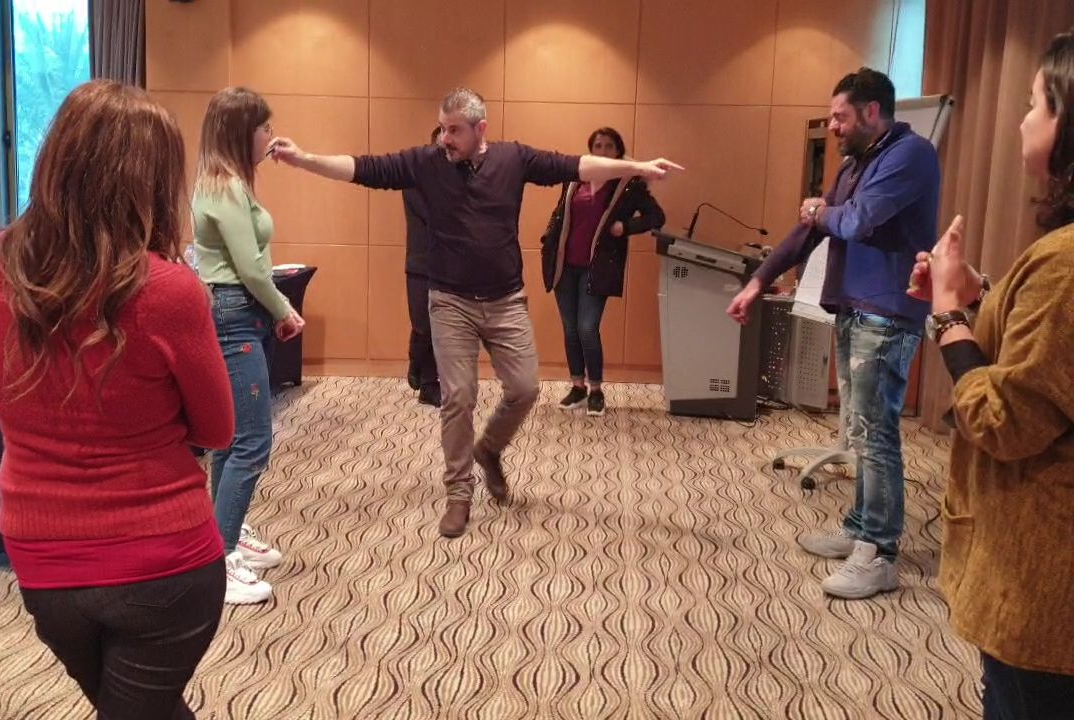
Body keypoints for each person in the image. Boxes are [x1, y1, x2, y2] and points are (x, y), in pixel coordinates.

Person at [269, 87, 682, 538]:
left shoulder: (513, 159)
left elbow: (576, 165)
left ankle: (489, 450)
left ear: (480, 128)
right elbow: (363, 168)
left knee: (525, 388)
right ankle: (459, 492)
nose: (445, 139)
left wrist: (637, 167)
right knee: (459, 396)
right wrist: (304, 159)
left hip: (506, 300)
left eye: (454, 130)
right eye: (442, 128)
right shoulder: (426, 162)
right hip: (450, 301)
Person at [0, 80, 234, 720]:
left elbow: (4, 397)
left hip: (41, 557)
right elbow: (218, 429)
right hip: (164, 558)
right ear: (153, 181)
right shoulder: (169, 291)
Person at [726, 67, 941, 599]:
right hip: (853, 309)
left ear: (872, 112)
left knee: (876, 434)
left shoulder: (910, 156)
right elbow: (811, 230)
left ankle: (880, 554)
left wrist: (822, 210)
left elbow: (856, 221)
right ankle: (860, 529)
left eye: (840, 117)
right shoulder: (855, 163)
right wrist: (758, 281)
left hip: (887, 314)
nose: (833, 127)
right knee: (860, 430)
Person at [909, 30, 1074, 718]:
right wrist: (979, 292)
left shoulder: (1066, 262)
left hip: (1044, 585)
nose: (1022, 120)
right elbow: (1053, 351)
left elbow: (1003, 421)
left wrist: (950, 314)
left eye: (1036, 103)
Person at [194, 87, 305, 605]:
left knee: (233, 437)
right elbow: (251, 269)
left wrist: (272, 310)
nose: (270, 136)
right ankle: (218, 557)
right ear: (243, 132)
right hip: (235, 311)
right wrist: (284, 310)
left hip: (240, 310)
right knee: (252, 440)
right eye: (264, 128)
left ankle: (227, 533)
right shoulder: (223, 187)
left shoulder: (229, 181)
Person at [541, 126, 666, 416]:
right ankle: (577, 386)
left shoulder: (629, 184)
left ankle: (596, 389)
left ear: (618, 151)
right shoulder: (576, 178)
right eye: (598, 145)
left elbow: (656, 216)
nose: (603, 151)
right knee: (570, 329)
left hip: (597, 267)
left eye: (609, 146)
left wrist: (626, 226)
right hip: (564, 265)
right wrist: (549, 238)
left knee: (587, 328)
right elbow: (561, 213)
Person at [404, 125, 445, 408]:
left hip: (451, 265)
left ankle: (429, 383)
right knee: (423, 324)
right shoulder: (414, 179)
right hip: (420, 262)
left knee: (438, 325)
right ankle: (418, 362)